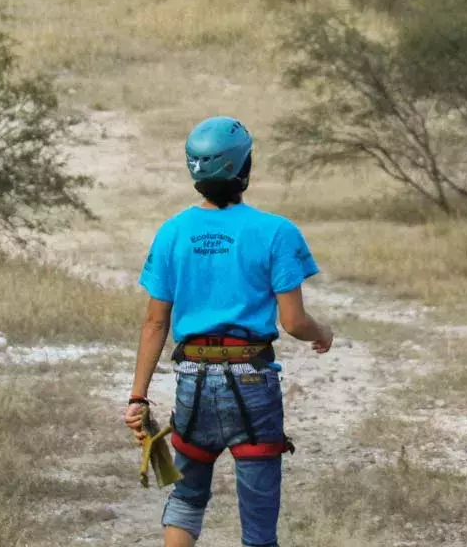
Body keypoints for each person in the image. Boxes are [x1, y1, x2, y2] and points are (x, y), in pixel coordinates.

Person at [123, 116, 335, 547]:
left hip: (193, 383)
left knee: (186, 498)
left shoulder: (172, 233)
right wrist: (322, 331)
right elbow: (293, 322)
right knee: (258, 522)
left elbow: (155, 322)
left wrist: (138, 397)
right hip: (252, 382)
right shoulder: (276, 232)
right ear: (245, 167)